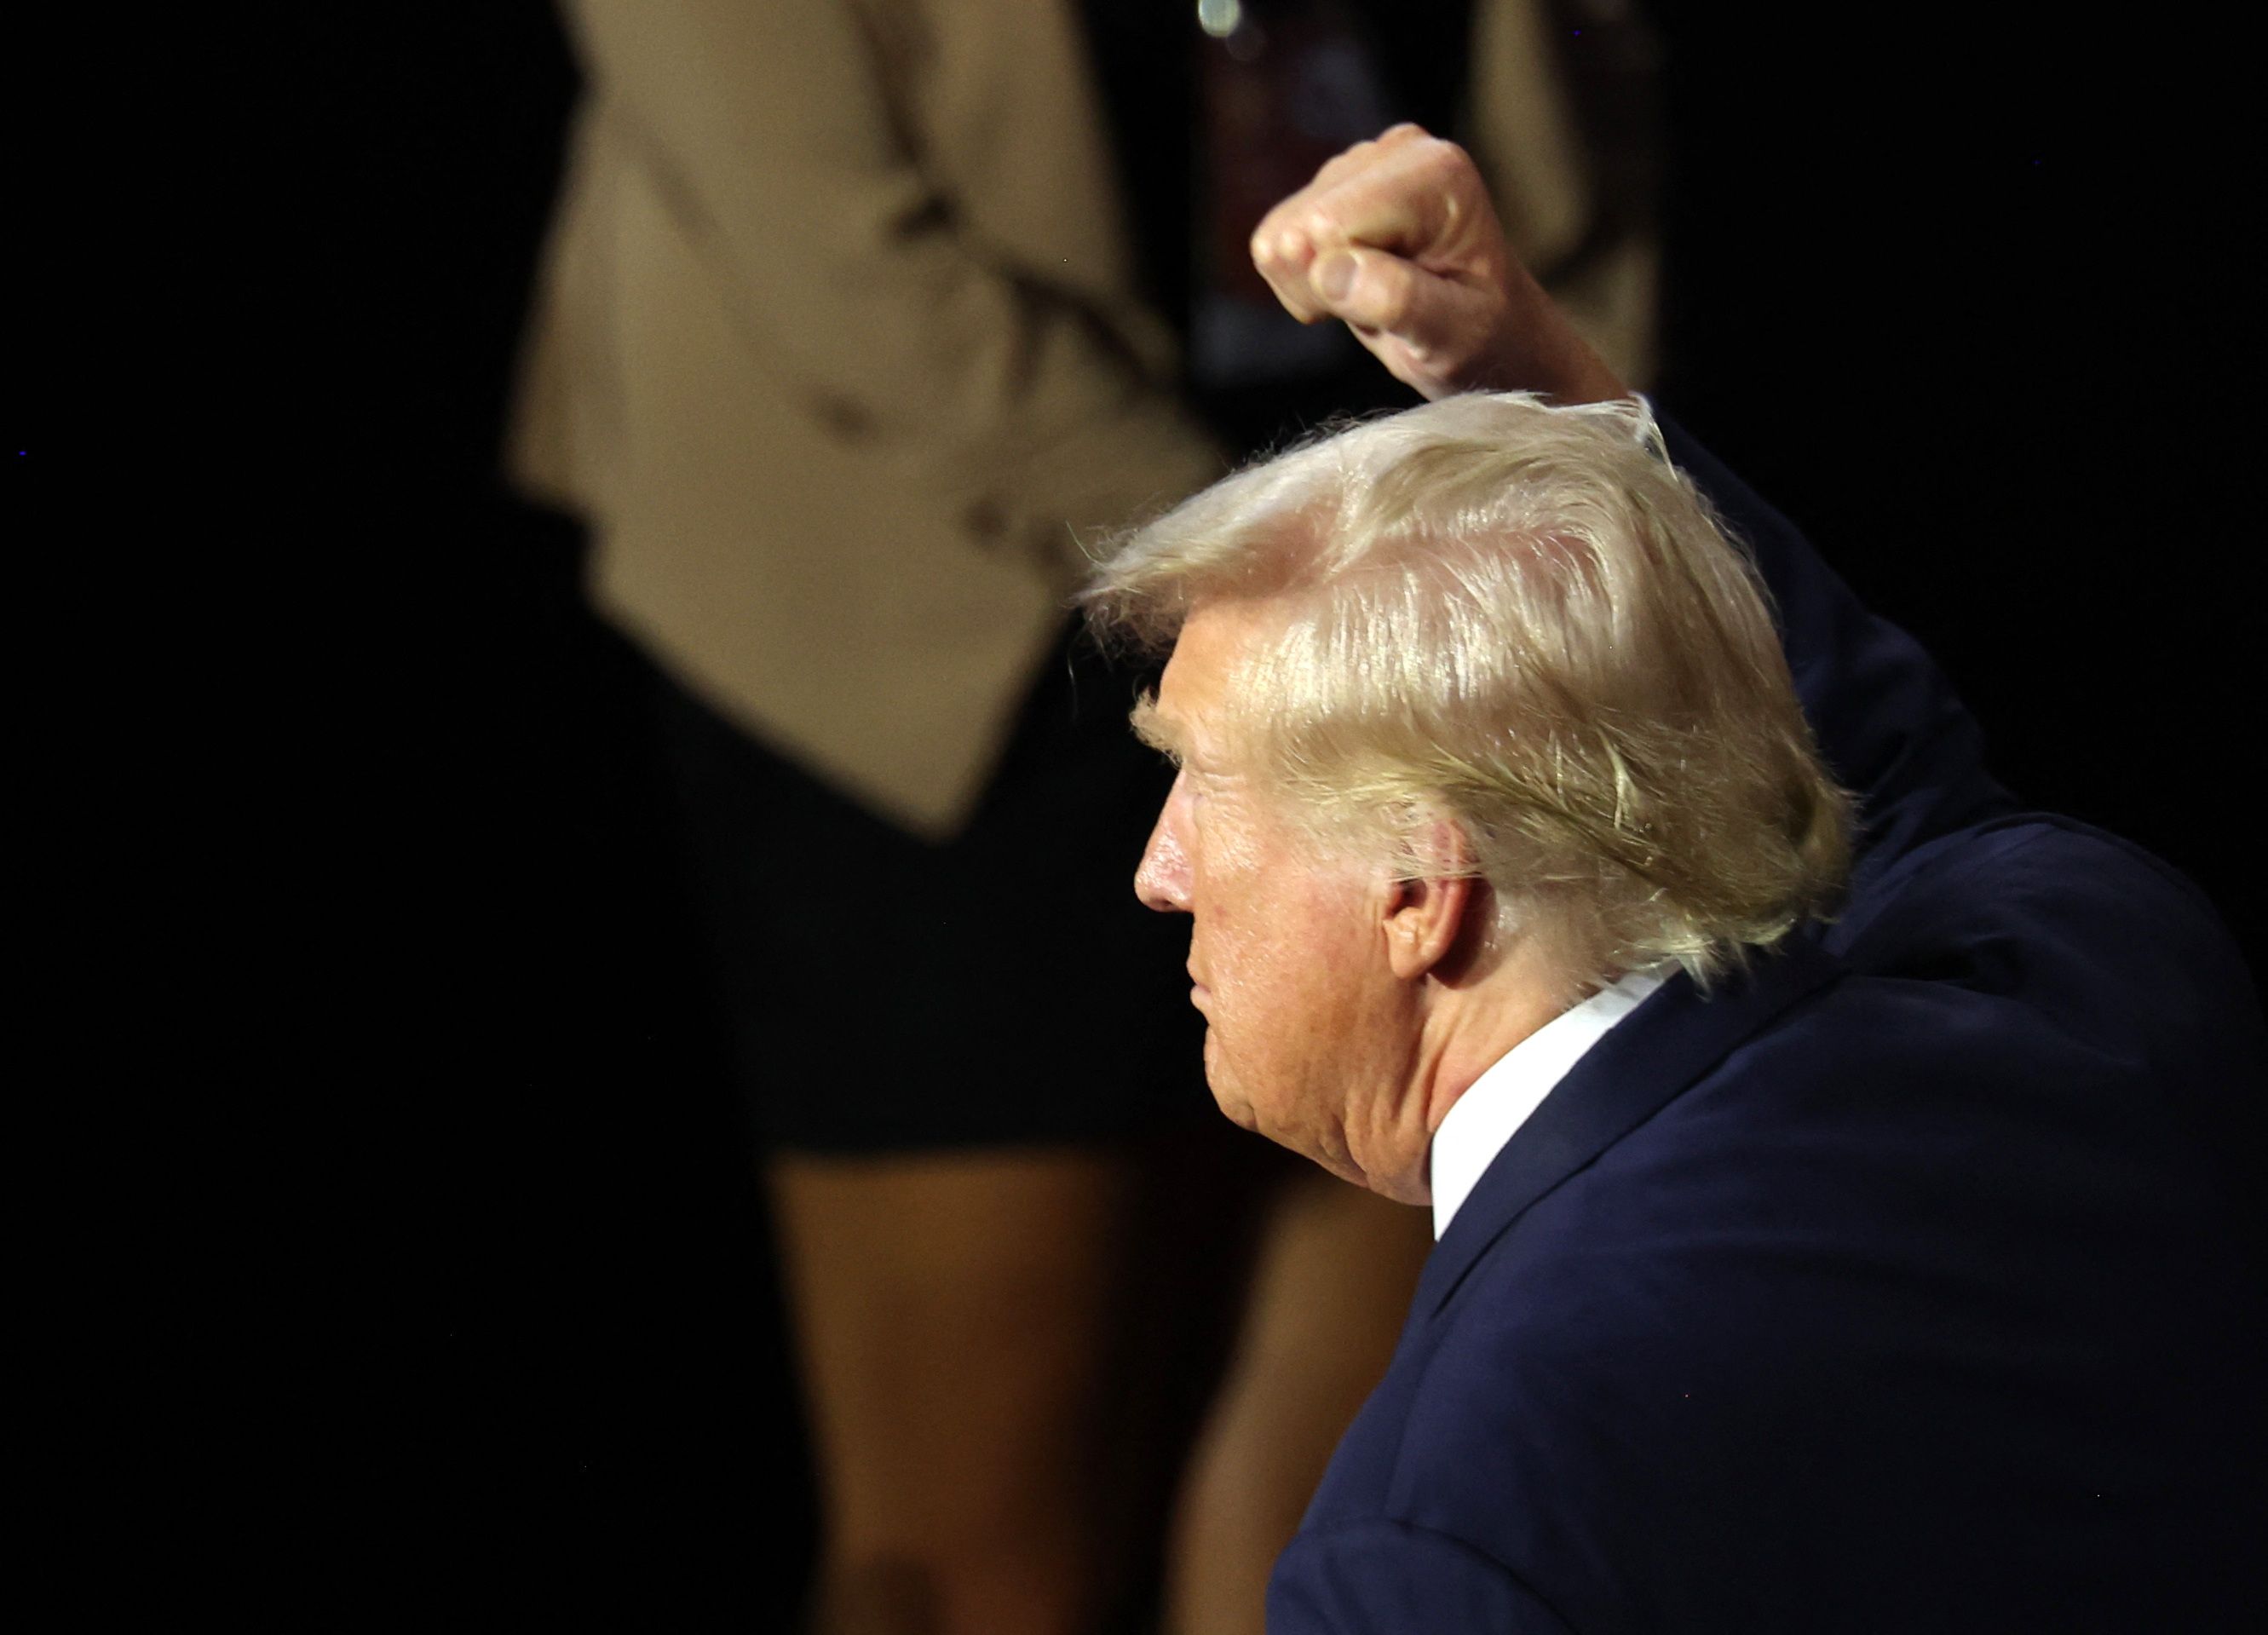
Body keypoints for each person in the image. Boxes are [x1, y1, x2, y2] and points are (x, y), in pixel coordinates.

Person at [509, 8, 1659, 1632]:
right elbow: (845, 264)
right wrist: (1288, 589)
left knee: (1349, 1499)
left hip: (1412, 568)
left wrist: (1544, 480)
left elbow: (1587, 121)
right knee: (982, 1554)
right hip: (934, 609)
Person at [1080, 126, 2265, 1630]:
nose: (1156, 871)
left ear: (1415, 887)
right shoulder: (2093, 978)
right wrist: (1532, 372)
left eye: (1202, 777)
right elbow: (1874, 773)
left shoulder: (1439, 1545)